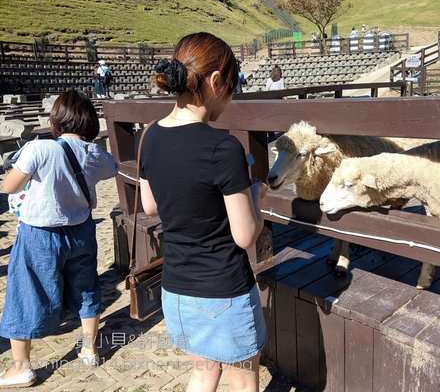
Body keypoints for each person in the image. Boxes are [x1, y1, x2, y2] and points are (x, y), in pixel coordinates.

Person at [140, 32, 268, 392]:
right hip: (222, 290)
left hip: (177, 290)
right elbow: (244, 235)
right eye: (231, 87)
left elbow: (151, 206)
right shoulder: (222, 147)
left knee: (203, 372)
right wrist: (254, 195)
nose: (230, 97)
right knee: (242, 381)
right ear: (214, 81)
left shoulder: (149, 135)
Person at [0, 90, 119, 388]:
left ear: (58, 119)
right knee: (87, 287)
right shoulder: (95, 155)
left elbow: (9, 185)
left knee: (26, 293)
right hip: (81, 231)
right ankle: (90, 349)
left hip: (39, 234)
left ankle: (21, 367)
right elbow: (112, 167)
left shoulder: (40, 149)